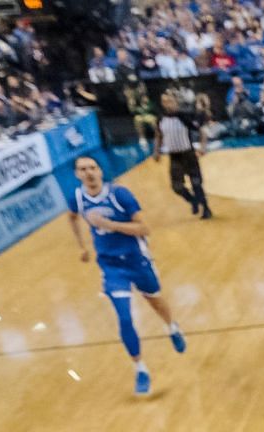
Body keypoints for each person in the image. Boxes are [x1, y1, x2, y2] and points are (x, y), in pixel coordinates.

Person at [66, 154, 188, 397]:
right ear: (77, 174)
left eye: (92, 167)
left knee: (155, 300)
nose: (89, 172)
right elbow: (71, 218)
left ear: (100, 171)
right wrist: (81, 246)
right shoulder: (77, 198)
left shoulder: (119, 195)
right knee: (124, 317)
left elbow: (144, 228)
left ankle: (172, 327)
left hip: (136, 259)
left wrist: (110, 225)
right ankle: (140, 368)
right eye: (83, 169)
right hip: (111, 265)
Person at [154, 90, 212, 219]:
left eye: (170, 101)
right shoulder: (161, 119)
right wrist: (156, 151)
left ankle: (206, 208)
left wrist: (202, 147)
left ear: (176, 102)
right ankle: (193, 201)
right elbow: (158, 135)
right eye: (165, 102)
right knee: (177, 187)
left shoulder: (185, 117)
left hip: (188, 154)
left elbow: (202, 130)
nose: (167, 104)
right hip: (174, 157)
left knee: (196, 183)